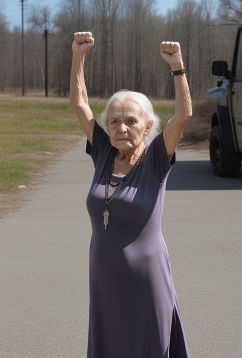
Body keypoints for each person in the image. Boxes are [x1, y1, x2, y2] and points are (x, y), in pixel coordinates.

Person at [69, 31, 192, 358]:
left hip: (146, 282)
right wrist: (78, 56)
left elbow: (182, 116)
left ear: (148, 125)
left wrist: (177, 68)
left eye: (131, 121)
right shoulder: (103, 154)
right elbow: (80, 102)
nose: (121, 128)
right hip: (105, 282)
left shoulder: (155, 158)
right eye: (114, 122)